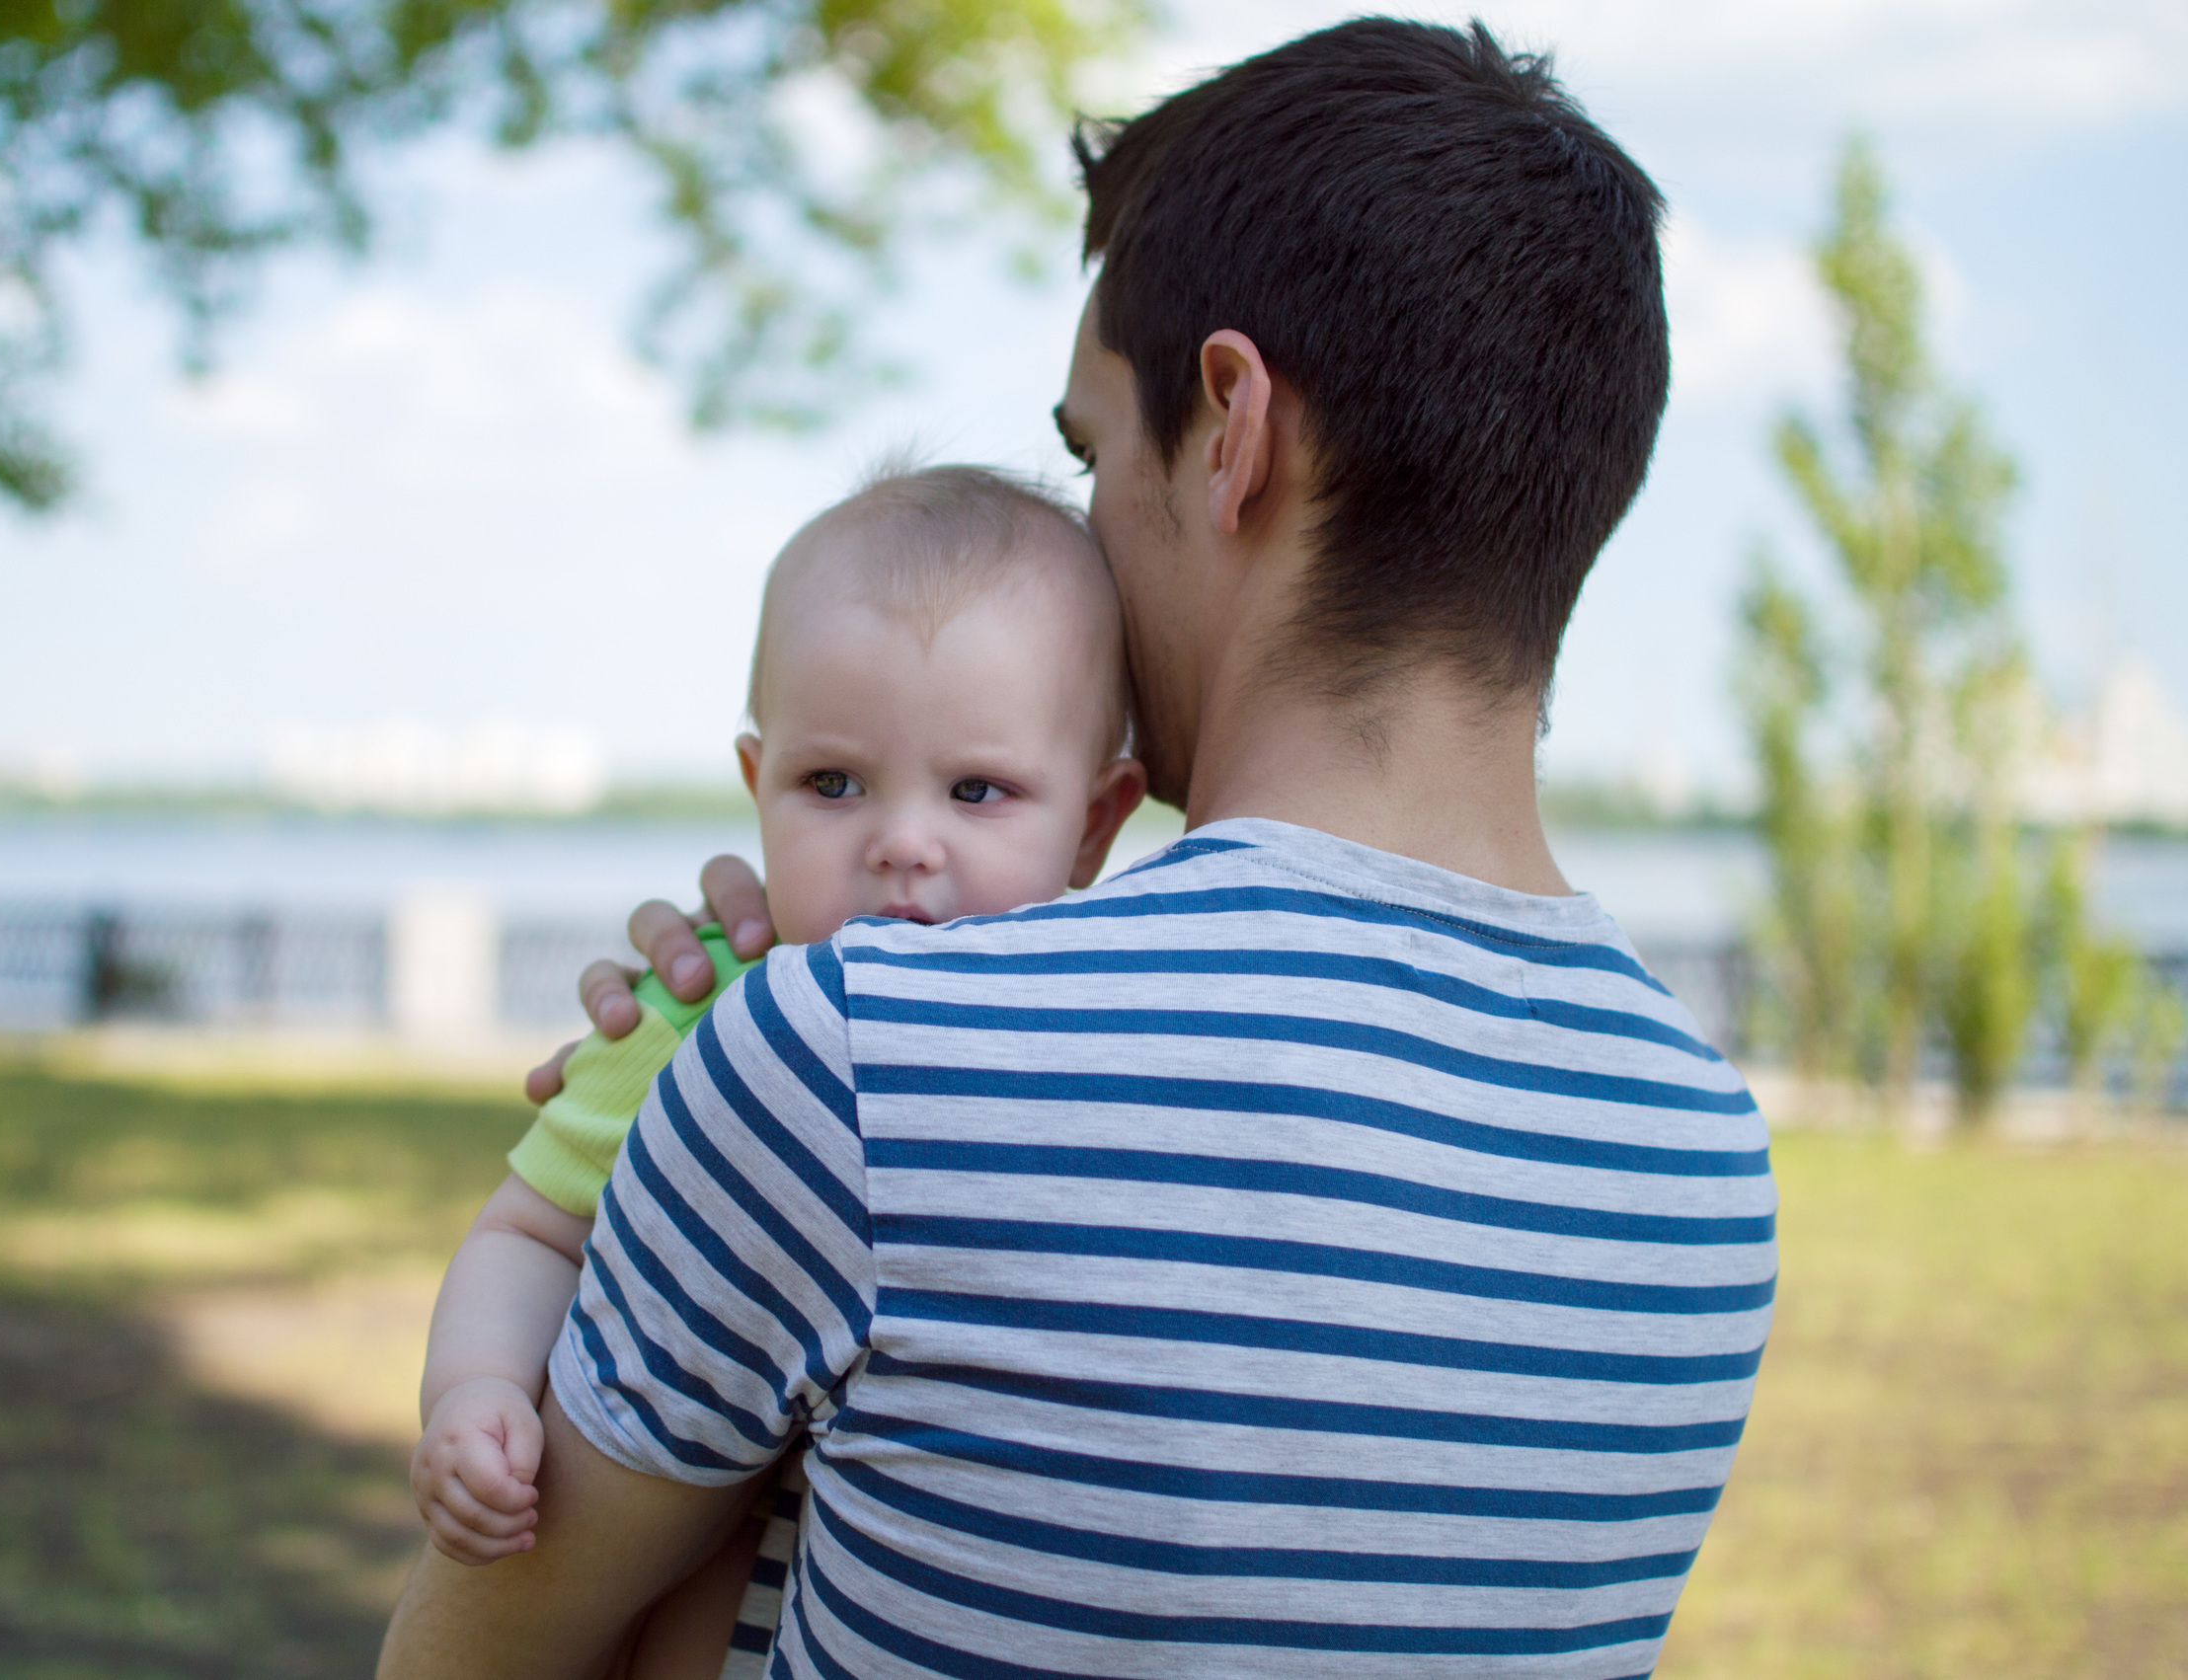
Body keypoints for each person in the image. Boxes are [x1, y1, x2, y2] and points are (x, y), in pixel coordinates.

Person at [380, 18, 1777, 1679]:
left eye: (1090, 449)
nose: (1086, 526)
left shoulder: (849, 1062)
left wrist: (719, 1127)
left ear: (1233, 429)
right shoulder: (1702, 1167)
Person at [407, 464, 1148, 1675]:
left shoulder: (1093, 1037)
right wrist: (475, 1392)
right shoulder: (698, 1008)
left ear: (1097, 819)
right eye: (833, 783)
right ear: (758, 787)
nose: (901, 843)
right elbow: (527, 1233)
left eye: (977, 791)